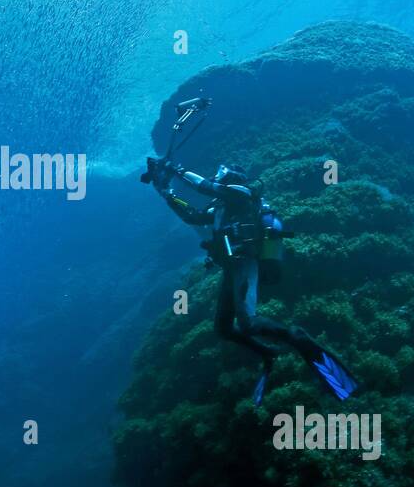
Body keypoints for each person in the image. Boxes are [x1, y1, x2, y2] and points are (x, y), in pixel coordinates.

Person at [147, 158, 357, 403]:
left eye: (221, 172)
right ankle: (269, 354)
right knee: (223, 328)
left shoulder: (242, 194)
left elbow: (203, 186)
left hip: (246, 263)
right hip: (231, 268)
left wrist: (175, 168)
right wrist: (166, 192)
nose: (217, 176)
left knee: (248, 323)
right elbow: (192, 215)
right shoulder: (222, 207)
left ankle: (298, 338)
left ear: (232, 177)